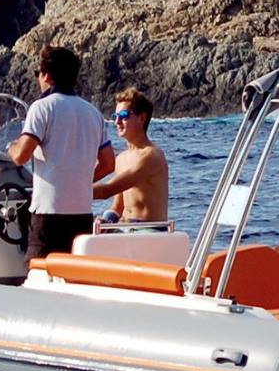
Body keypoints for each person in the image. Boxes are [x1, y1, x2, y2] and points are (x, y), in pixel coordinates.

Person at [9, 46, 113, 258]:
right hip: (82, 214)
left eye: (38, 73)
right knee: (74, 272)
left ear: (47, 76)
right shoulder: (93, 113)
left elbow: (21, 156)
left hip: (48, 213)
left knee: (39, 271)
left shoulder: (41, 107)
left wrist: (10, 147)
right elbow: (109, 164)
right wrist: (79, 180)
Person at [92, 86, 168, 225]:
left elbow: (107, 190)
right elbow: (118, 207)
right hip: (125, 227)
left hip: (149, 230)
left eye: (123, 116)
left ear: (142, 118)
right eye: (115, 116)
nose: (117, 122)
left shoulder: (151, 156)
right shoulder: (121, 158)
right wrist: (107, 220)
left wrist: (69, 191)